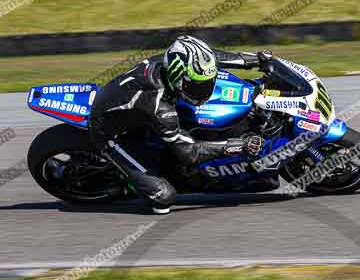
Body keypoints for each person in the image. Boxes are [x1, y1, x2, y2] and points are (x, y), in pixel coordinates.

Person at [89, 36, 270, 214]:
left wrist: (253, 60)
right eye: (199, 86)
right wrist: (238, 146)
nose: (206, 90)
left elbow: (213, 57)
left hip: (136, 113)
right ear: (178, 77)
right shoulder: (159, 107)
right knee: (164, 198)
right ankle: (128, 185)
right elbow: (190, 153)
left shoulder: (170, 62)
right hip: (111, 134)